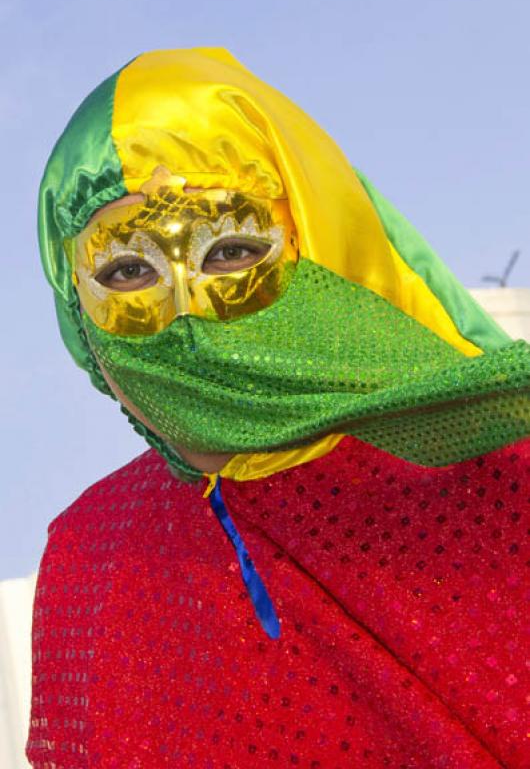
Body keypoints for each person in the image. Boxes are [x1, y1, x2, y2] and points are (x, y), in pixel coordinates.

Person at [27, 48, 529, 768]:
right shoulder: (90, 553)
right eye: (128, 270)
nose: (186, 313)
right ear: (79, 317)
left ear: (314, 247)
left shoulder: (495, 467)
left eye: (229, 251)